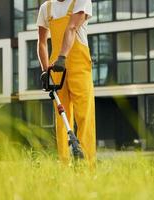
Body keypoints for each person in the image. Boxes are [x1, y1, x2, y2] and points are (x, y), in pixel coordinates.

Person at [36, 0, 96, 163]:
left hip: (79, 66)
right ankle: (64, 164)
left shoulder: (81, 1)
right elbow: (41, 42)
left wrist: (62, 56)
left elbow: (72, 27)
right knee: (62, 118)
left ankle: (87, 164)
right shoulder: (46, 8)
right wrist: (44, 70)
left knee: (84, 116)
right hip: (56, 69)